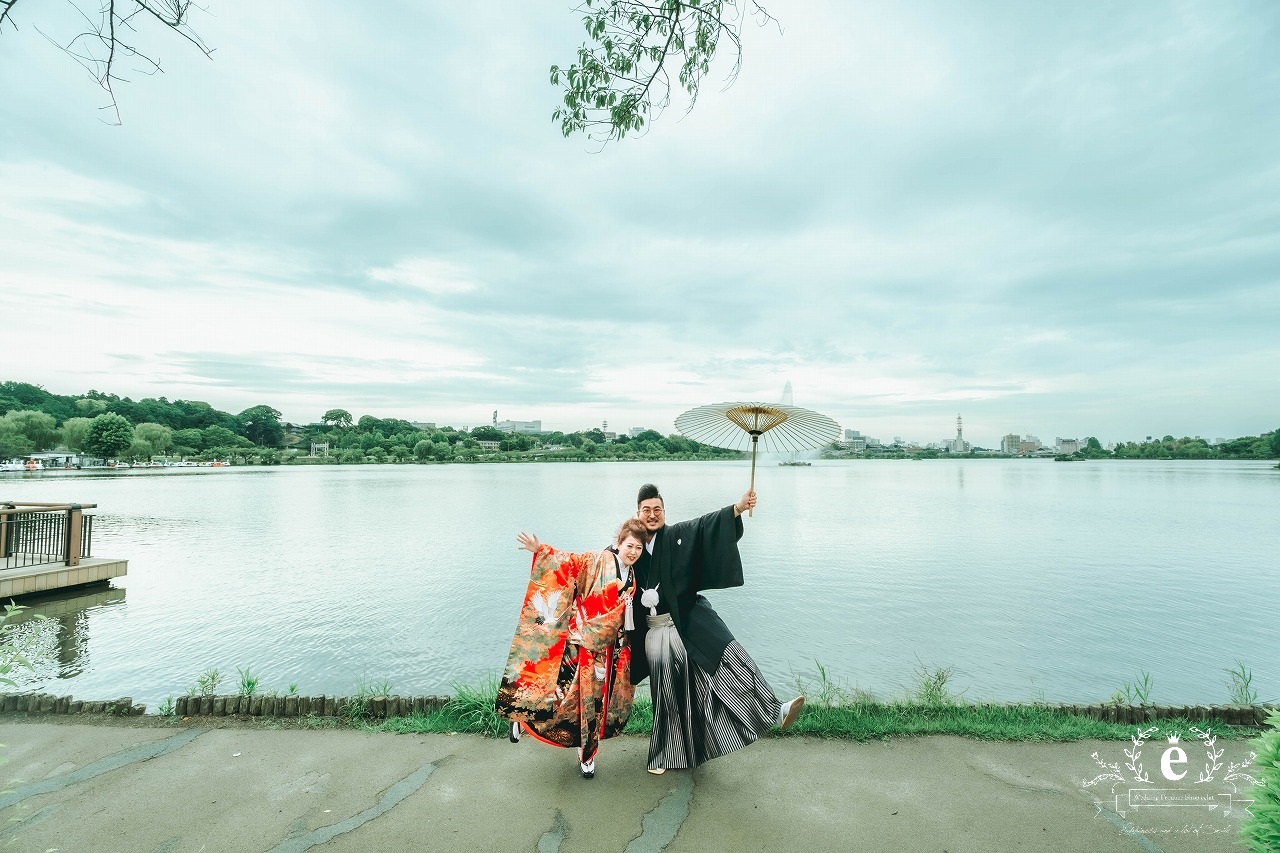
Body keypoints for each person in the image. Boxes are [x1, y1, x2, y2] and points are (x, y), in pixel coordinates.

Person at [629, 483, 803, 775]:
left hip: (690, 622)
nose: (652, 515)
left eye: (657, 509)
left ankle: (774, 710)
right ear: (638, 513)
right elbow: (602, 566)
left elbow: (704, 525)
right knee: (669, 695)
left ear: (664, 512)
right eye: (646, 510)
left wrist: (737, 509)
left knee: (732, 659)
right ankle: (662, 756)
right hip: (656, 634)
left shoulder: (676, 535)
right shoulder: (632, 545)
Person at [495, 517, 644, 779]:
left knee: (594, 706)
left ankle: (586, 754)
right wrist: (541, 550)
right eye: (630, 545)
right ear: (618, 543)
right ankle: (524, 719)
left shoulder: (632, 575)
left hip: (608, 652)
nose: (633, 552)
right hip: (583, 645)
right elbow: (568, 563)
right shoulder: (598, 561)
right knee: (568, 701)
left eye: (638, 548)